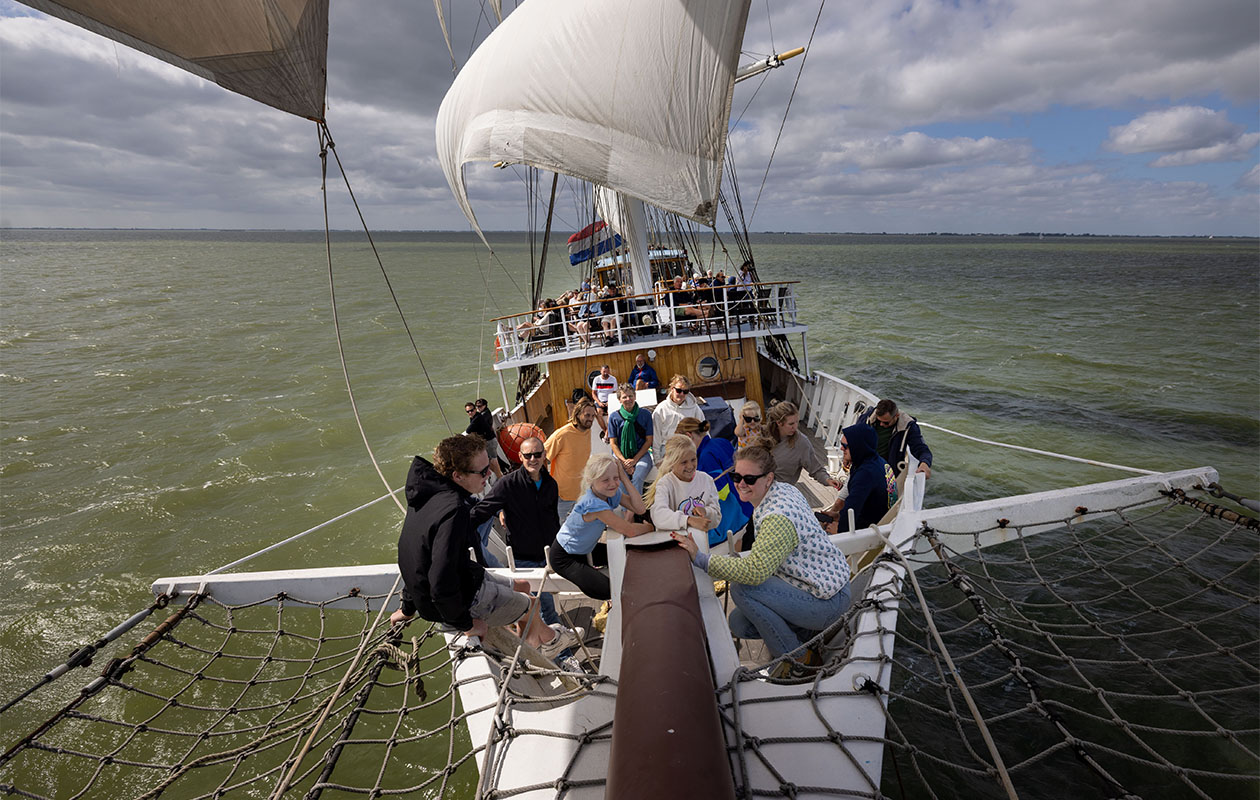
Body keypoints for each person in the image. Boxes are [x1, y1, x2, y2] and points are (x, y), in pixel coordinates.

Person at [390, 435, 581, 658]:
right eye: (482, 472)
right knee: (531, 605)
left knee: (523, 586)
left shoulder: (425, 496)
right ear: (457, 476)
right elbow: (440, 582)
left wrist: (407, 607)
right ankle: (546, 643)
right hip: (453, 602)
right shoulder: (453, 511)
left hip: (462, 580)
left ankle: (535, 645)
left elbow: (413, 555)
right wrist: (467, 624)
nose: (489, 474)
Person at [670, 441, 851, 661]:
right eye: (737, 477)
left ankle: (797, 658)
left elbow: (755, 571)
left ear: (768, 479)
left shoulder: (777, 517)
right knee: (739, 623)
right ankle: (805, 633)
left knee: (743, 589)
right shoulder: (784, 490)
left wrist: (700, 559)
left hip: (828, 600)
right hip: (820, 583)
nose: (741, 484)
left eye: (750, 479)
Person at [469, 436, 567, 626]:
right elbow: (482, 510)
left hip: (548, 554)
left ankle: (547, 640)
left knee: (543, 602)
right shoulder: (508, 484)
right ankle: (560, 651)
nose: (533, 459)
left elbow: (553, 519)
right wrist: (453, 528)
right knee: (542, 604)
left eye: (537, 454)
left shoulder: (550, 484)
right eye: (528, 455)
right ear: (520, 457)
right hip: (524, 557)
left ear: (544, 455)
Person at [551, 454, 653, 600]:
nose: (612, 484)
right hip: (565, 557)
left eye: (615, 478)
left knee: (629, 556)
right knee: (608, 590)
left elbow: (640, 508)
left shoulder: (610, 493)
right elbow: (629, 530)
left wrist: (624, 478)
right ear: (591, 481)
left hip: (585, 549)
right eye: (605, 480)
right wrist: (650, 528)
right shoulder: (593, 504)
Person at [676, 417, 750, 545]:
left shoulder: (705, 457)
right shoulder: (721, 441)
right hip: (747, 504)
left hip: (734, 515)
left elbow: (721, 493)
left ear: (689, 436)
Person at [819, 424, 897, 533]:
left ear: (858, 447)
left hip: (870, 530)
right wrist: (838, 515)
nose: (841, 448)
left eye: (845, 445)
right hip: (878, 519)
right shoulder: (877, 461)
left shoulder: (866, 474)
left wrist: (839, 529)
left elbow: (852, 506)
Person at [647, 434, 721, 543]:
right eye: (684, 462)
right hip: (672, 545)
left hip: (700, 543)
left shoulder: (706, 480)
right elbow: (658, 514)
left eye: (693, 459)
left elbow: (717, 516)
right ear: (672, 462)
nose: (690, 466)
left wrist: (706, 511)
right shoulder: (665, 483)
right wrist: (688, 520)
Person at [545, 396, 597, 522]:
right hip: (562, 495)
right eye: (587, 415)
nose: (590, 419)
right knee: (561, 531)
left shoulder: (587, 431)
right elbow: (542, 459)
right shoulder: (562, 435)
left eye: (593, 416)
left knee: (580, 527)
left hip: (581, 493)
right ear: (578, 414)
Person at [766, 401, 840, 489]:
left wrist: (827, 480)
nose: (795, 426)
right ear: (779, 423)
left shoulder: (801, 443)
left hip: (781, 490)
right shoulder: (763, 436)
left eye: (797, 422)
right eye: (791, 424)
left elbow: (815, 468)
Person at [857, 399, 934, 479]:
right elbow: (854, 437)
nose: (881, 424)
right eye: (879, 420)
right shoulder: (867, 418)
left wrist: (925, 463)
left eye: (886, 422)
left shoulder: (908, 426)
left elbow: (921, 448)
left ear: (896, 415)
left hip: (886, 474)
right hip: (862, 465)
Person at [607, 384, 654, 494]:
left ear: (635, 396)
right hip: (620, 455)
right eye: (624, 397)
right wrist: (624, 462)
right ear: (619, 400)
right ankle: (627, 509)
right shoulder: (614, 417)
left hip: (641, 454)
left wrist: (634, 461)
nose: (628, 399)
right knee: (621, 478)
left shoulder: (645, 415)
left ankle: (635, 508)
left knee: (637, 477)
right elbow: (613, 444)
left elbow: (649, 441)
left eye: (630, 396)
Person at [651, 374, 705, 462]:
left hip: (689, 446)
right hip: (668, 448)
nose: (682, 394)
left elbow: (704, 429)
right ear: (672, 389)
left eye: (685, 391)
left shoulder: (694, 408)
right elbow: (656, 436)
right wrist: (657, 460)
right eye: (679, 390)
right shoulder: (661, 409)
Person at [465, 399, 503, 478]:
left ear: (475, 409)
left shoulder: (478, 418)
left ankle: (501, 477)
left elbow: (468, 430)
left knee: (493, 461)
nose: (470, 413)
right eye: (468, 412)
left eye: (471, 410)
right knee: (491, 461)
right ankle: (499, 476)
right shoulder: (475, 417)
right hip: (488, 441)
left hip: (490, 442)